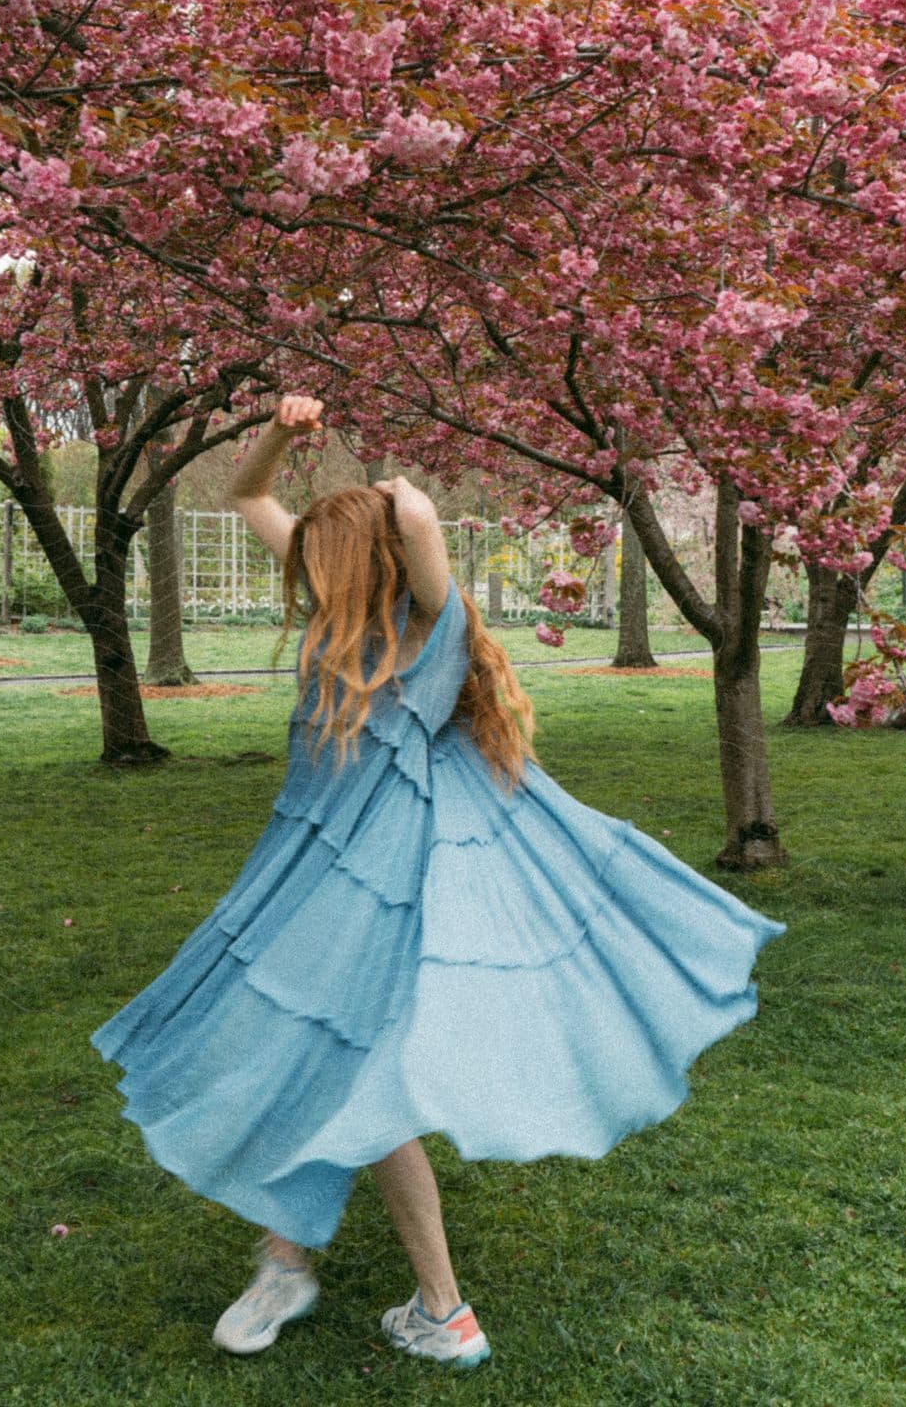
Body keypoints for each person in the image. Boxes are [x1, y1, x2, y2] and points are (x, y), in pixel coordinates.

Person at [91, 395, 786, 1369]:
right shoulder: (341, 609)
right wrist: (288, 435)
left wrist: (381, 484)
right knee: (307, 1044)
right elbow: (247, 491)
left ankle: (436, 1307)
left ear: (368, 564)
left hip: (389, 883)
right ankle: (293, 1258)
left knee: (369, 1082)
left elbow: (417, 514)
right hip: (311, 868)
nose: (307, 585)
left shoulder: (429, 629)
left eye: (326, 568)